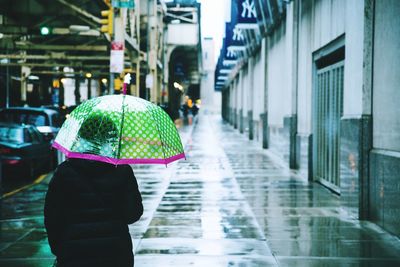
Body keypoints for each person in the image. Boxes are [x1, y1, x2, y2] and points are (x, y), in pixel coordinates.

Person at [44, 115, 143, 267]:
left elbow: (53, 217)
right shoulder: (122, 171)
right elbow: (133, 214)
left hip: (74, 252)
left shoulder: (64, 172)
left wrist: (60, 248)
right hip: (115, 252)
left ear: (80, 137)